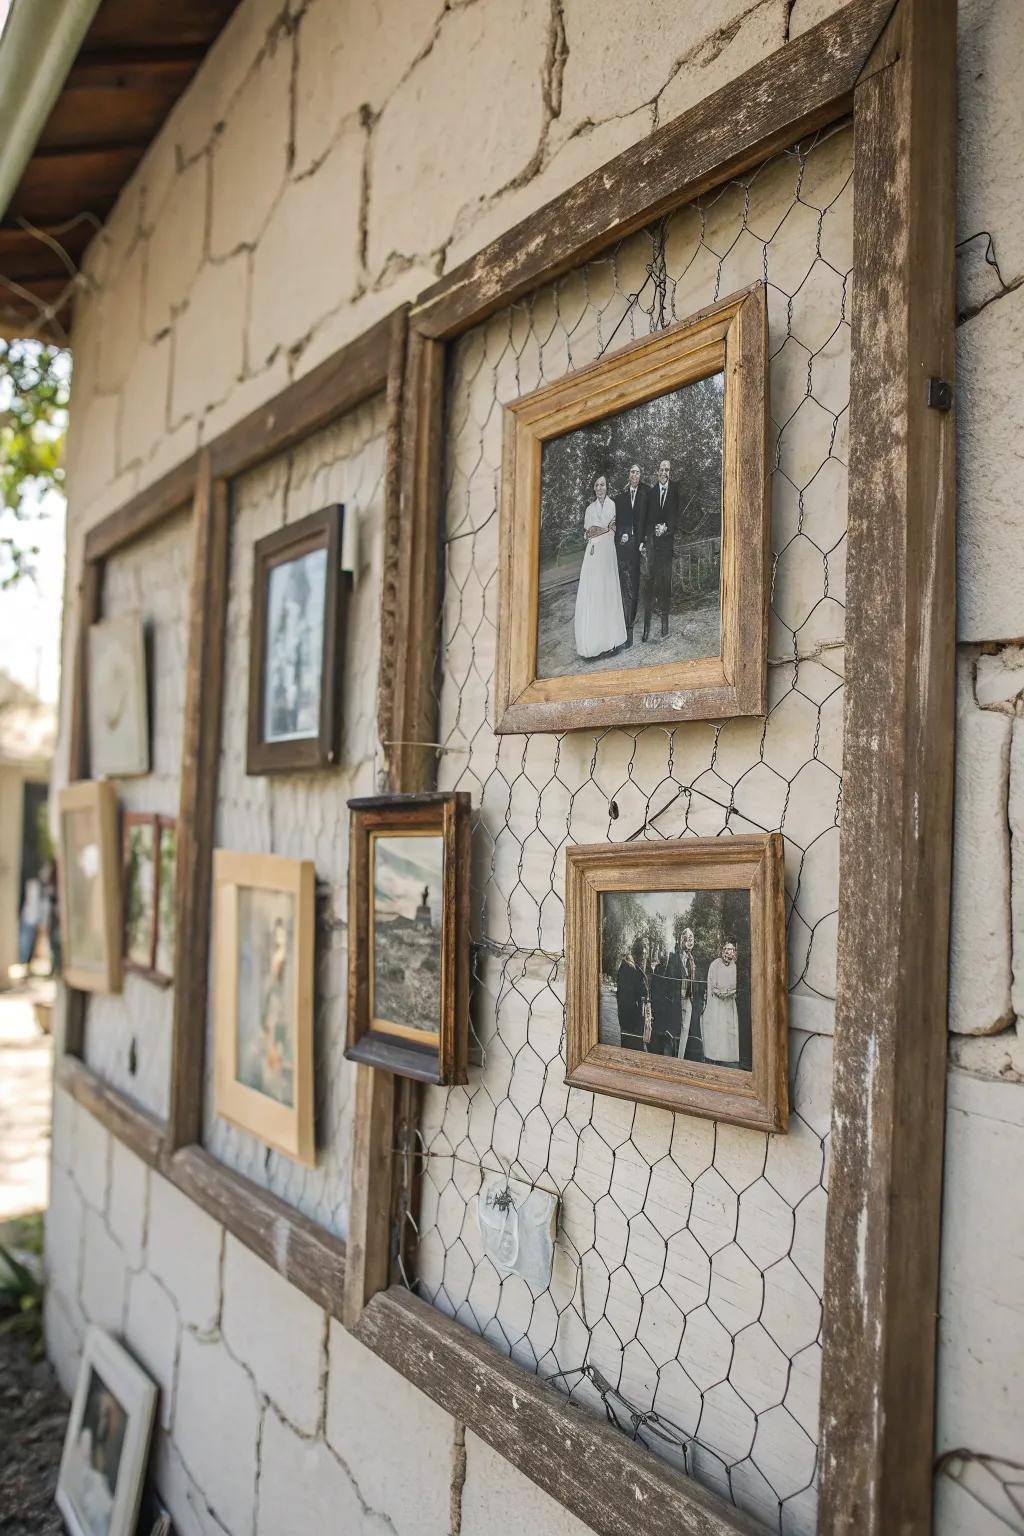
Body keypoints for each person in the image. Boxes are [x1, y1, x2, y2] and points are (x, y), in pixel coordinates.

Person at [574, 474, 627, 659]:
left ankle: (611, 642)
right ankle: (594, 644)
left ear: (607, 487)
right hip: (594, 554)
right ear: (594, 488)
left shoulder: (613, 505)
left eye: (602, 484)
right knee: (594, 594)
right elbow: (590, 532)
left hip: (608, 553)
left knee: (609, 593)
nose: (599, 488)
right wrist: (605, 528)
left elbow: (614, 528)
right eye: (596, 485)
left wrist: (604, 529)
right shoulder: (589, 509)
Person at [640, 458, 680, 640]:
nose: (664, 472)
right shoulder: (651, 493)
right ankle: (646, 627)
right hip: (653, 546)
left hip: (666, 546)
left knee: (665, 584)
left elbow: (676, 515)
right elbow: (646, 519)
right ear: (657, 472)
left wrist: (666, 529)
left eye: (667, 470)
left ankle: (665, 621)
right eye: (661, 469)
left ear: (670, 472)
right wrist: (650, 534)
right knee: (650, 584)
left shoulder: (675, 490)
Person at [614, 465, 646, 646]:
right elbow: (616, 524)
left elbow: (648, 520)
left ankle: (631, 627)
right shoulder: (620, 498)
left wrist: (643, 542)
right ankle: (627, 630)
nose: (635, 474)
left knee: (634, 587)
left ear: (640, 476)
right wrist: (622, 534)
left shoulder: (645, 495)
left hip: (639, 546)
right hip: (624, 548)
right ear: (629, 475)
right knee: (625, 589)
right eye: (632, 471)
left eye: (637, 472)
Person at [702, 939, 741, 1064]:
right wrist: (718, 992)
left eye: (731, 951)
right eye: (726, 950)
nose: (728, 954)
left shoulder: (734, 966)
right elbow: (712, 984)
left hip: (729, 1003)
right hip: (717, 1003)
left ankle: (727, 1057)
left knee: (728, 1029)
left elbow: (736, 985)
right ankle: (714, 1055)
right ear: (722, 951)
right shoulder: (715, 964)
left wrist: (730, 993)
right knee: (717, 1028)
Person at [666, 926, 698, 1058]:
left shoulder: (694, 960)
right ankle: (670, 1057)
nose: (690, 942)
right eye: (687, 939)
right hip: (676, 998)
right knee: (674, 1028)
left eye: (692, 939)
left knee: (685, 1029)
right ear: (682, 941)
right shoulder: (674, 957)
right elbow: (670, 977)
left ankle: (680, 1058)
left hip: (688, 998)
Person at [615, 937, 649, 1050]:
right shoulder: (631, 969)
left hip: (625, 1017)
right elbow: (642, 991)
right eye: (643, 955)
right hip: (632, 1019)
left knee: (626, 1045)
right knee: (633, 1048)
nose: (644, 958)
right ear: (639, 954)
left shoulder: (626, 966)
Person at [648, 949, 676, 1055]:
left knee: (663, 1032)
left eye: (666, 955)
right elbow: (653, 986)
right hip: (658, 1006)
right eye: (663, 955)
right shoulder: (658, 969)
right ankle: (655, 1050)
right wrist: (654, 1001)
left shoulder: (670, 970)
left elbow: (671, 988)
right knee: (656, 1032)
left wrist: (668, 1000)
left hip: (666, 1007)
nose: (664, 957)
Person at [18, 873, 42, 971]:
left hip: (31, 918)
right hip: (28, 917)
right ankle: (24, 962)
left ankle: (25, 963)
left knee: (27, 941)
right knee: (25, 941)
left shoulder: (35, 886)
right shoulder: (32, 886)